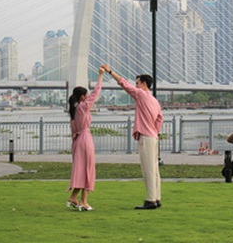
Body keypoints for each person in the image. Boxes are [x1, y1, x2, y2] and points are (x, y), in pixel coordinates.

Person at [102, 64, 163, 210]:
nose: (135, 86)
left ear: (143, 84)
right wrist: (154, 131)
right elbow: (160, 119)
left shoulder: (141, 95)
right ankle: (157, 197)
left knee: (147, 169)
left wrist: (110, 71)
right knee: (154, 169)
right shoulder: (154, 100)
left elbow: (124, 84)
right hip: (153, 137)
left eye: (137, 83)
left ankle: (150, 200)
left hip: (146, 137)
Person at [66, 67, 104, 211]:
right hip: (85, 139)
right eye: (86, 95)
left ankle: (75, 198)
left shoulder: (74, 111)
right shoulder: (83, 107)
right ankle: (83, 201)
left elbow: (73, 132)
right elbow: (96, 93)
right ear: (82, 97)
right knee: (88, 169)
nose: (88, 97)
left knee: (81, 169)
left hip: (77, 142)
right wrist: (100, 76)